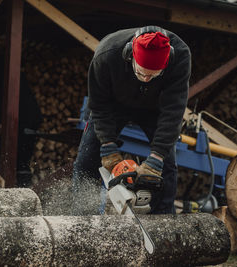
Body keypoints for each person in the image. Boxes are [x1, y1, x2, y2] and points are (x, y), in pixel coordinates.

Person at [72, 25, 191, 214]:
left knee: (167, 166)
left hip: (156, 108)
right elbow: (99, 104)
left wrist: (156, 158)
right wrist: (108, 146)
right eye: (141, 72)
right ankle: (81, 218)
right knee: (87, 160)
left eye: (152, 75)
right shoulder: (106, 54)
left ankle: (163, 220)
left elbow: (174, 111)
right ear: (130, 56)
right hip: (112, 105)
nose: (145, 79)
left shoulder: (181, 56)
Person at [0, 53, 43, 187]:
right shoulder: (12, 74)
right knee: (22, 160)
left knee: (2, 159)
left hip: (20, 121)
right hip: (28, 119)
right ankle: (24, 191)